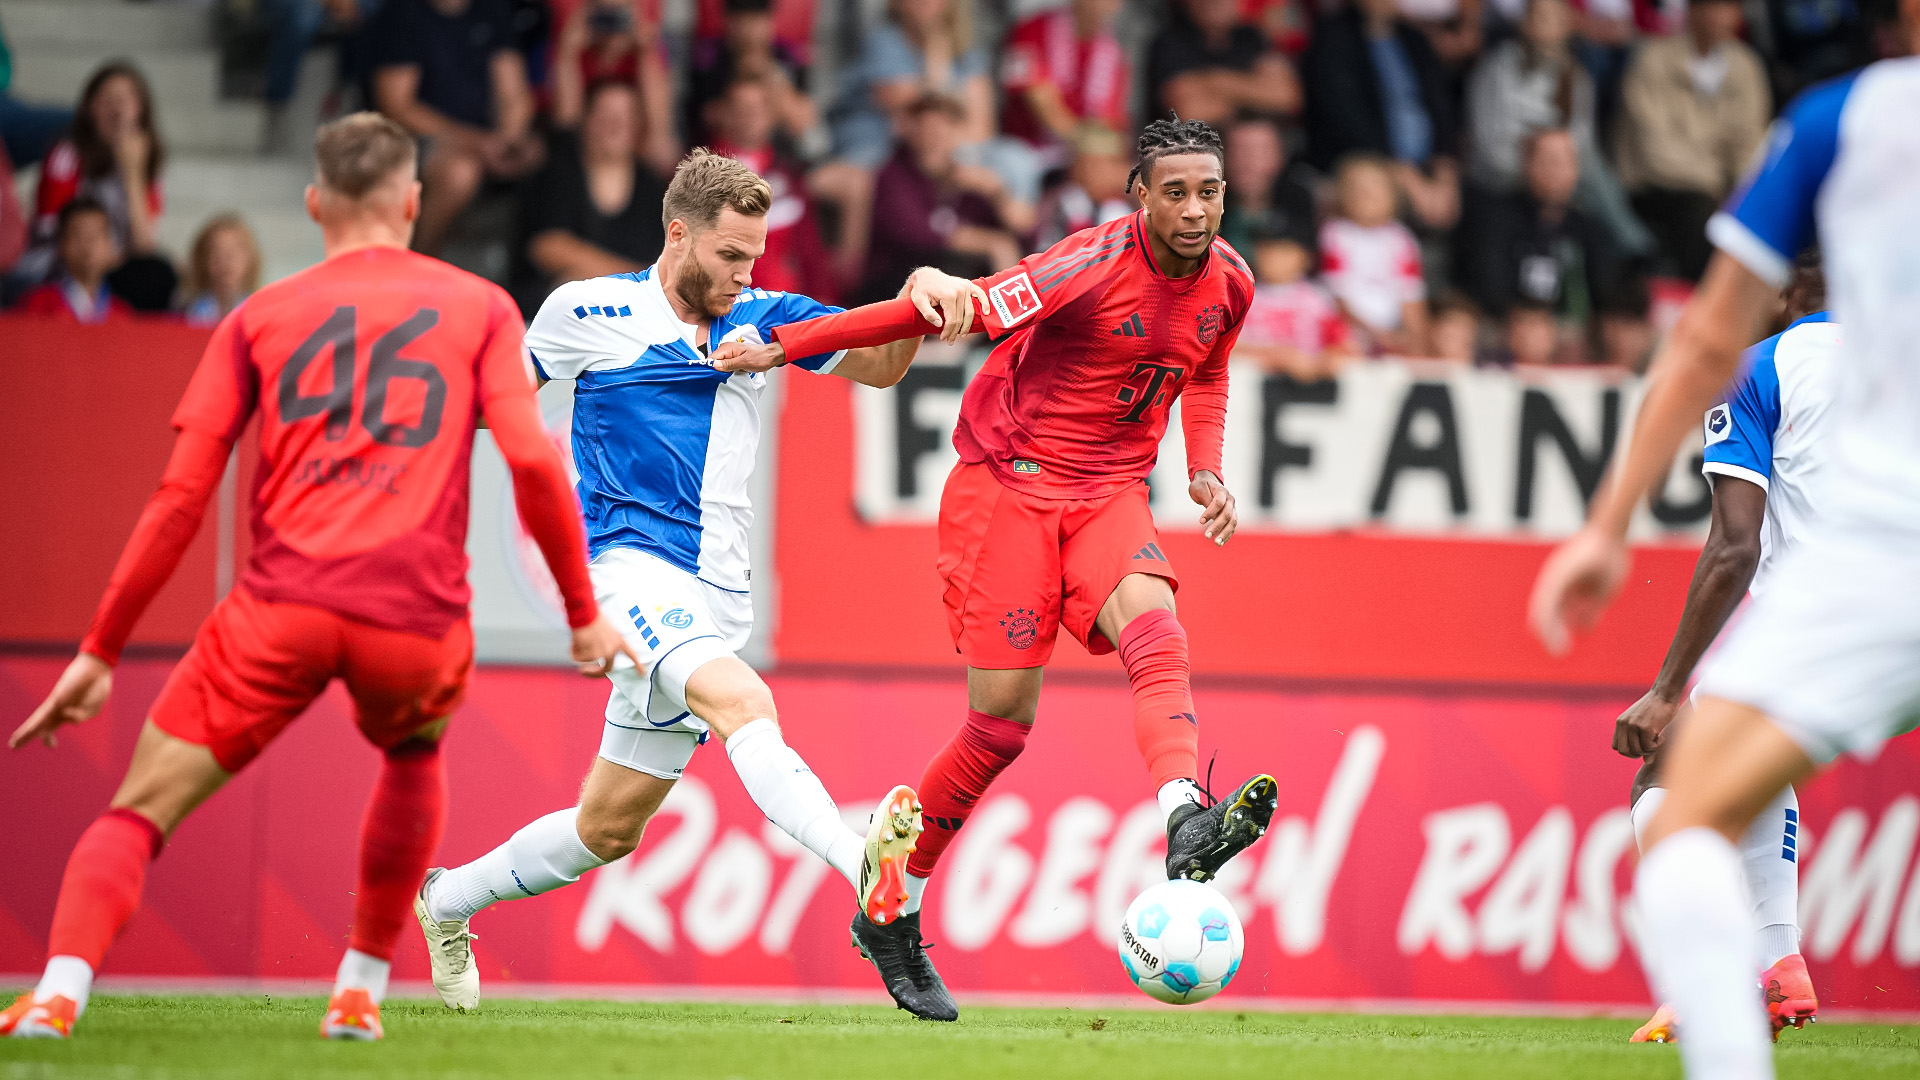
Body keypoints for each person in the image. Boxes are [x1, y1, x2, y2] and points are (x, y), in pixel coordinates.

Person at [0, 112, 633, 1042]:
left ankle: (57, 992)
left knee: (136, 813)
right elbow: (536, 464)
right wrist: (582, 615)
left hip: (278, 608)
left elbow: (180, 499)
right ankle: (359, 988)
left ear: (313, 204)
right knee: (413, 758)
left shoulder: (260, 314)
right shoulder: (482, 307)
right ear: (414, 203)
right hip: (412, 620)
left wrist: (101, 651)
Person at [715, 117, 1282, 1023]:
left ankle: (1186, 815)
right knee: (1000, 726)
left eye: (1207, 191)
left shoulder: (1234, 282)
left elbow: (1206, 369)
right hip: (1008, 489)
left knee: (1157, 625)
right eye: (1173, 191)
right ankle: (891, 901)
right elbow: (940, 311)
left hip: (1109, 493)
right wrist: (784, 346)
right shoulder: (1085, 264)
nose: (1193, 208)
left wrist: (1205, 464)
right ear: (1139, 194)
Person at [410, 149, 987, 1016]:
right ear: (678, 233)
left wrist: (916, 294)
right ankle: (869, 876)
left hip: (716, 599)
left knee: (604, 830)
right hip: (628, 572)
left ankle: (444, 901)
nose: (742, 274)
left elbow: (881, 366)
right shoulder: (589, 309)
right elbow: (494, 400)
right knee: (746, 705)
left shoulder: (763, 316)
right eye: (728, 256)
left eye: (753, 257)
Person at [1527, 7, 1920, 1072]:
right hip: (1860, 581)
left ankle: (1728, 1011)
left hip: (1867, 580)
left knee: (1675, 801)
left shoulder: (1836, 136)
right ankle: (1782, 967)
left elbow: (1734, 542)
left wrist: (1654, 661)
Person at [1611, 256, 1832, 1046]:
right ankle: (1779, 965)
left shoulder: (1758, 369)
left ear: (1779, 289)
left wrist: (1667, 688)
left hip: (1819, 622)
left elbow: (1735, 546)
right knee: (1754, 748)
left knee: (1664, 772)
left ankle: (1725, 980)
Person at [370, 0, 544, 257]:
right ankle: (418, 257)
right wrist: (478, 142)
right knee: (460, 172)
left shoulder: (493, 10)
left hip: (486, 138)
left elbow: (514, 93)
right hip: (418, 138)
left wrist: (509, 138)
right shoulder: (403, 13)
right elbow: (397, 107)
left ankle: (524, 270)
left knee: (539, 153)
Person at [1613, 0, 1769, 281]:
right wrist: (1715, 185)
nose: (1728, 16)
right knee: (1702, 215)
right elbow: (1655, 153)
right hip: (1656, 188)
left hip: (1721, 191)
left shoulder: (1746, 67)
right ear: (1694, 11)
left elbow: (1750, 145)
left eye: (1733, 8)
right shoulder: (1652, 60)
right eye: (1719, 7)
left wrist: (1740, 192)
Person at [22, 63, 175, 312]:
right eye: (108, 99)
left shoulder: (148, 166)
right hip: (62, 264)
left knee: (157, 274)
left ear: (141, 110)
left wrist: (133, 173)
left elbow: (144, 245)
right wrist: (99, 254)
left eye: (126, 99)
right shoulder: (67, 153)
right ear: (90, 108)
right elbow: (53, 232)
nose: (117, 109)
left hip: (111, 265)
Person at [510, 79, 668, 315]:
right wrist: (633, 281)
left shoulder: (657, 191)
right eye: (605, 114)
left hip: (635, 320)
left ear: (639, 125)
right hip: (551, 318)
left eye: (626, 115)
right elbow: (547, 248)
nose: (616, 124)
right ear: (585, 119)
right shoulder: (552, 176)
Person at [1301, 0, 1459, 231]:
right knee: (1369, 187)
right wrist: (1407, 178)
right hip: (1366, 161)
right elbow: (1347, 120)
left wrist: (1446, 174)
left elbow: (1442, 109)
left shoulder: (1415, 40)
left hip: (1426, 167)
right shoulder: (1333, 37)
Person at [863, 93, 1024, 301]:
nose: (934, 139)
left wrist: (998, 195)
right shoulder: (892, 176)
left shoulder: (970, 178)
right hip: (899, 285)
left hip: (958, 286)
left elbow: (1022, 234)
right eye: (926, 130)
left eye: (942, 130)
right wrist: (990, 243)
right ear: (910, 132)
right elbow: (916, 235)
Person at [1461, 128, 1619, 329]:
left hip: (1569, 334)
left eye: (1561, 162)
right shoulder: (1497, 218)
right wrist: (1526, 321)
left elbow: (1603, 292)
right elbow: (1489, 286)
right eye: (1545, 160)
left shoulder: (1589, 229)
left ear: (1576, 170)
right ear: (1526, 165)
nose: (1553, 171)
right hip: (1506, 327)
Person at [707, 77, 836, 300]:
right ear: (724, 113)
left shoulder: (789, 174)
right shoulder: (701, 174)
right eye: (742, 107)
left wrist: (824, 307)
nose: (752, 115)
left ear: (771, 114)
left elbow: (810, 252)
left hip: (785, 310)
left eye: (759, 107)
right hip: (727, 310)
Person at [552, 0, 679, 175]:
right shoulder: (575, 46)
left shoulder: (645, 52)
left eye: (619, 16)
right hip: (584, 148)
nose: (611, 26)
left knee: (660, 151)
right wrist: (567, 54)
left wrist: (644, 51)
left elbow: (659, 132)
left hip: (634, 150)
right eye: (603, 16)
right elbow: (566, 123)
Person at [999, 0, 1132, 166]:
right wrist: (1086, 139)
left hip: (1081, 160)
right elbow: (1040, 101)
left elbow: (1109, 123)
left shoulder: (1115, 55)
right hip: (1028, 151)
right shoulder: (1029, 29)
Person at [1319, 154, 1429, 356]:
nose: (1367, 194)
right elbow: (1336, 296)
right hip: (1347, 329)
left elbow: (1411, 298)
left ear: (1393, 194)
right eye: (1358, 189)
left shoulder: (1402, 239)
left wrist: (1415, 341)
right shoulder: (1335, 233)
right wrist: (1376, 334)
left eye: (1376, 187)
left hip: (1392, 331)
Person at [683, 0, 817, 153]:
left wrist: (768, 71)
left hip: (780, 154)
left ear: (770, 22)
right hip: (720, 153)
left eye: (756, 21)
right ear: (728, 22)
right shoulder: (708, 57)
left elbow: (806, 125)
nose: (749, 32)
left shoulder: (788, 56)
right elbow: (707, 116)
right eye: (741, 22)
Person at [1147, 0, 1302, 128]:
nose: (1215, 2)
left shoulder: (1251, 38)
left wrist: (1216, 83)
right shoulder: (1170, 43)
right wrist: (1254, 97)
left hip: (1254, 154)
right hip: (1190, 154)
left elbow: (1287, 97)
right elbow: (1188, 111)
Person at [1235, 227, 1353, 379]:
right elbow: (1224, 349)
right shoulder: (1238, 298)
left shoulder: (1318, 299)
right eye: (1265, 250)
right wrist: (1280, 358)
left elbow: (1343, 344)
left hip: (1309, 389)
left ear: (1305, 258)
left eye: (1283, 251)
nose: (1272, 258)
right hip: (1254, 388)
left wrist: (1323, 361)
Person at [15, 198, 133, 324]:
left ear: (111, 246)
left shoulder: (123, 314)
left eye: (96, 235)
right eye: (78, 235)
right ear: (61, 244)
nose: (88, 244)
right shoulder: (36, 304)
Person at [1217, 114, 1316, 259]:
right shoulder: (1200, 212)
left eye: (1258, 152)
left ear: (1280, 157)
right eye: (1237, 150)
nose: (1247, 162)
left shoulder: (1303, 206)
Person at [1032, 124, 1135, 250]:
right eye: (1111, 164)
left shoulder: (1119, 205)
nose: (1121, 173)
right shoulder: (1065, 202)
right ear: (1081, 167)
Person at [179, 215, 262, 328]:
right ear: (203, 260)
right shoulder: (191, 310)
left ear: (250, 258)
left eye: (232, 252)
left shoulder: (257, 309)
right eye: (216, 253)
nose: (225, 261)